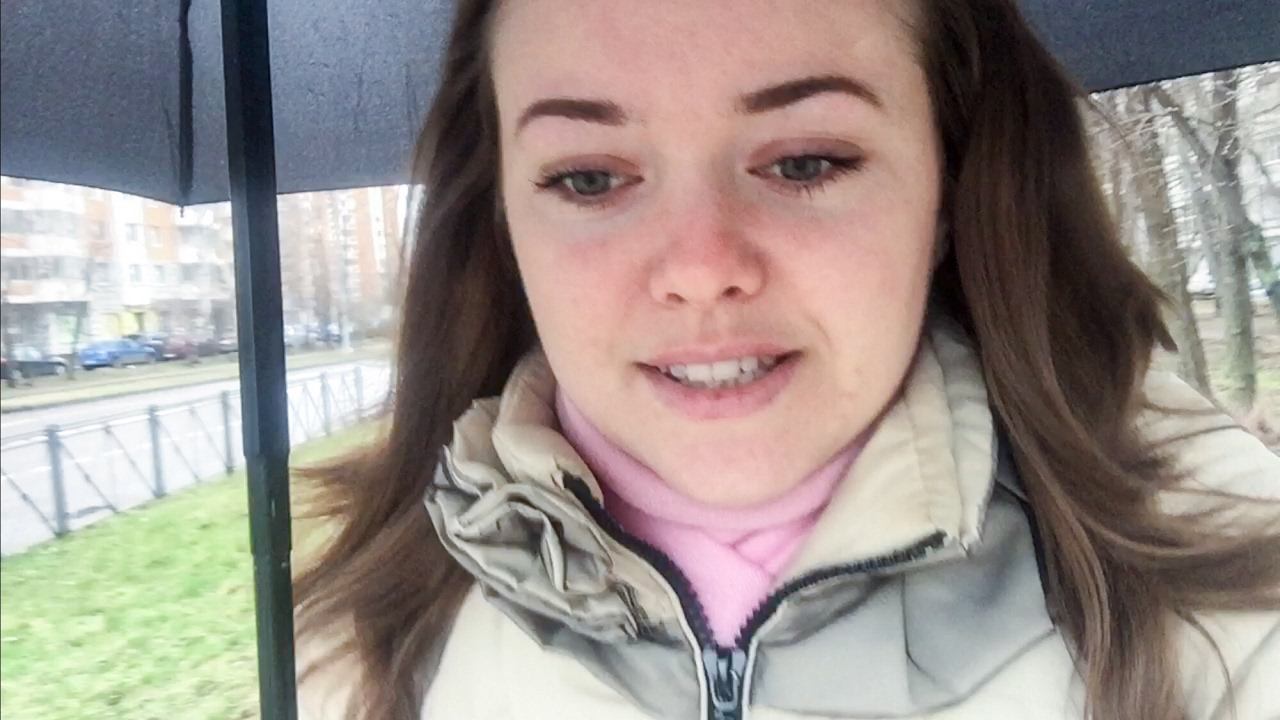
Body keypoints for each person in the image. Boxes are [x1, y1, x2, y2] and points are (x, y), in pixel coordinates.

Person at [294, 1, 1280, 718]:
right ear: (505, 219)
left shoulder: (1231, 596)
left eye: (805, 161)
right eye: (589, 177)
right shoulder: (360, 650)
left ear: (948, 186)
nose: (700, 269)